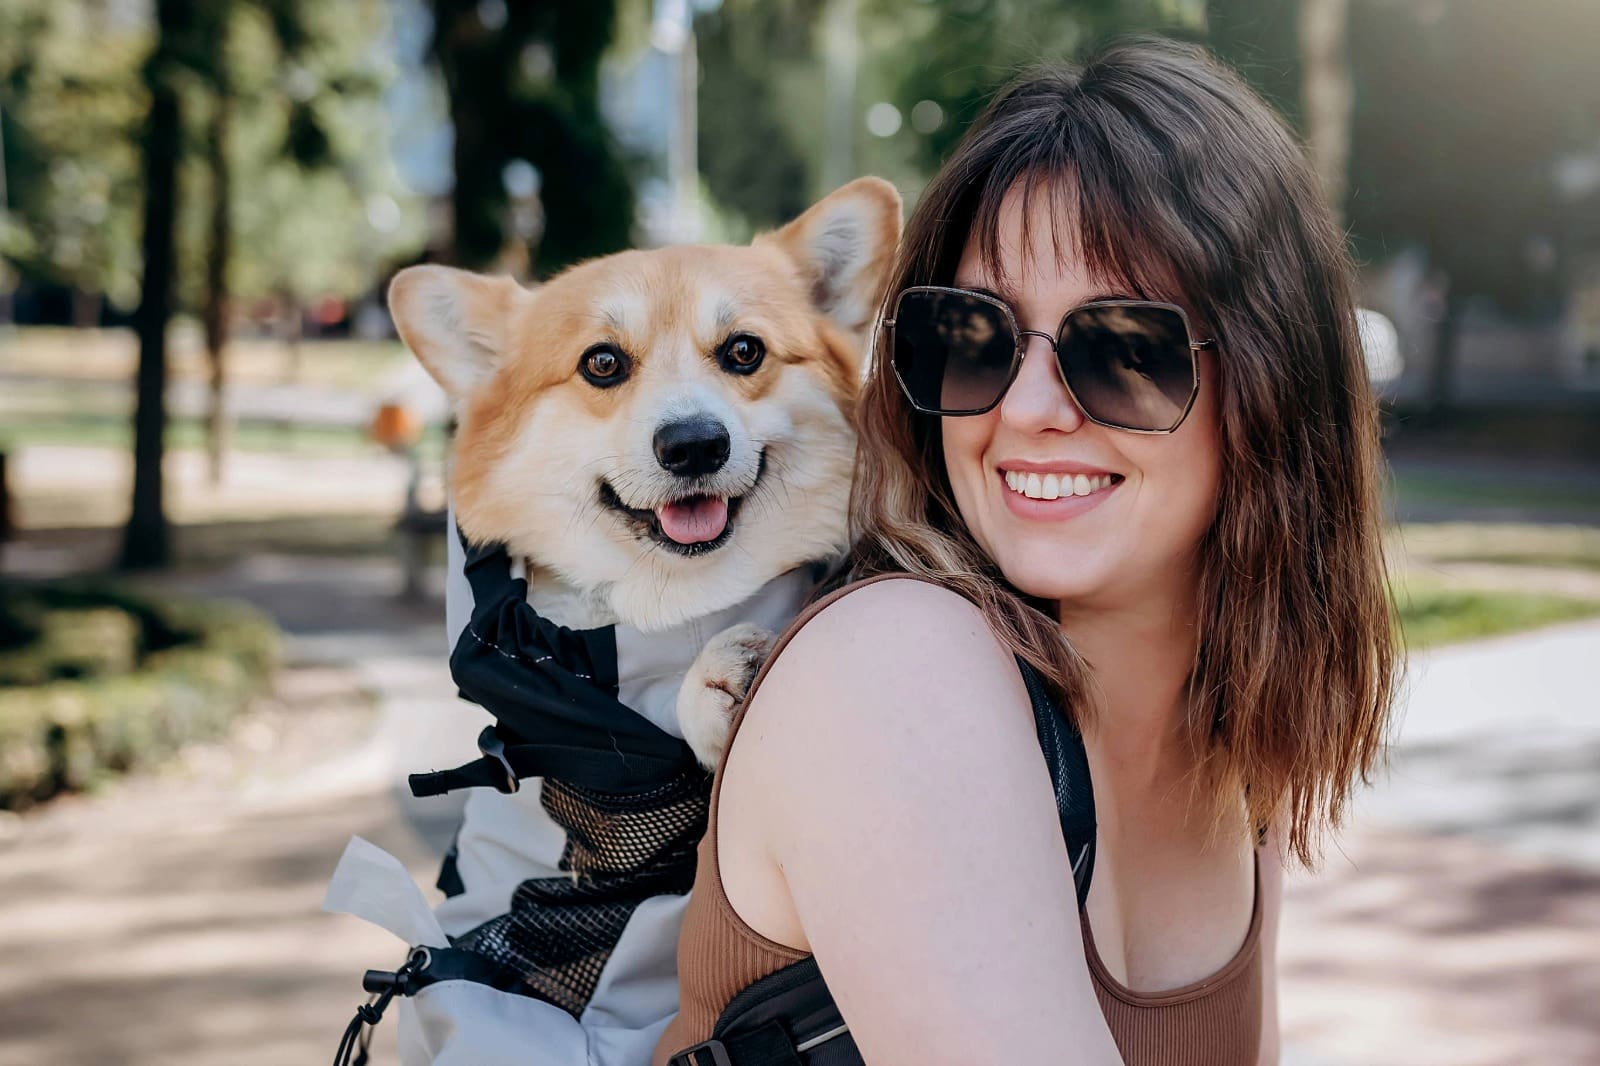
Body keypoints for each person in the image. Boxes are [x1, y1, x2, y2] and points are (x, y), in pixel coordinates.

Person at [654, 36, 1399, 1066]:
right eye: (975, 334)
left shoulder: (1230, 743)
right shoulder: (897, 668)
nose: (1029, 408)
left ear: (1274, 383)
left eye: (1123, 348)